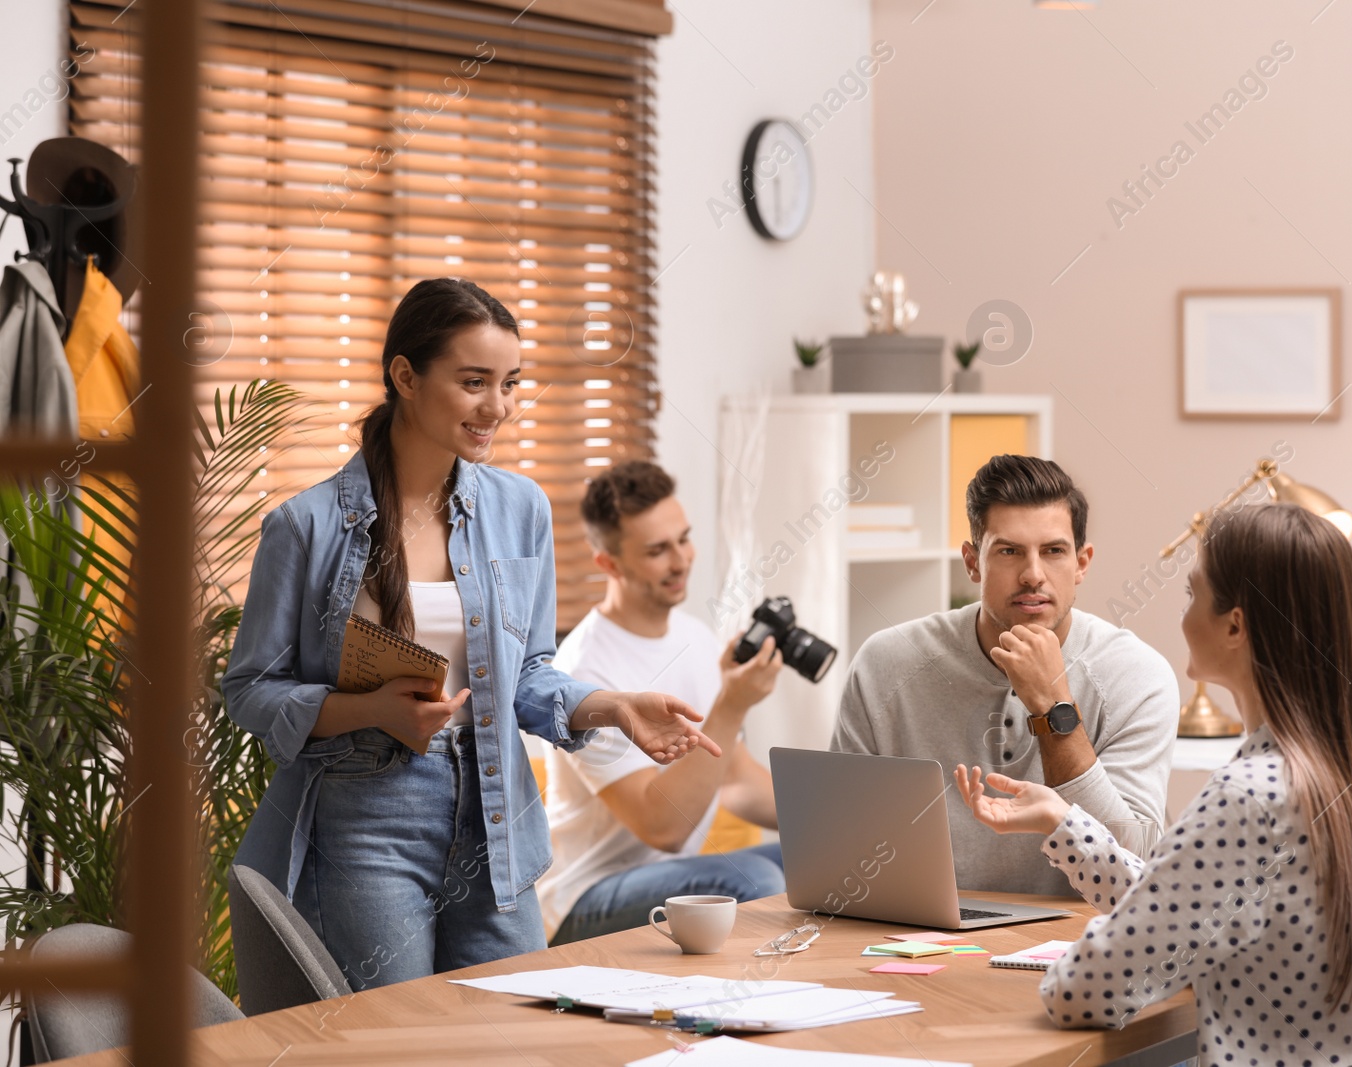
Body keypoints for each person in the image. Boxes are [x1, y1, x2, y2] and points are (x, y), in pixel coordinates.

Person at [222, 278, 718, 991]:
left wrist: (612, 706)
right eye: (475, 382)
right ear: (405, 377)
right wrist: (373, 710)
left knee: (514, 1025)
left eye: (510, 383)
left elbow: (530, 671)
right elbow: (250, 691)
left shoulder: (521, 508)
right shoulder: (306, 526)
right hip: (365, 821)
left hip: (496, 814)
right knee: (402, 1040)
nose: (500, 407)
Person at [955, 502, 1352, 1066]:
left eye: (1191, 595)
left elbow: (1083, 992)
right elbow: (1189, 904)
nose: (1184, 617)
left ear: (1234, 624)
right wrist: (1065, 823)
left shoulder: (1252, 797)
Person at [831, 454, 1179, 897]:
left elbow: (1134, 864)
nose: (1033, 575)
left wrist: (1053, 708)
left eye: (1053, 551)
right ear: (973, 563)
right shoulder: (886, 663)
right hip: (920, 937)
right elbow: (841, 849)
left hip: (1078, 946)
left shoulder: (1139, 677)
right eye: (1009, 551)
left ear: (1082, 564)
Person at [536, 460, 787, 944]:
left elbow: (732, 778)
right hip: (586, 897)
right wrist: (731, 707)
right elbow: (662, 826)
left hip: (678, 876)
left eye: (683, 539)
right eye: (657, 551)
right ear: (608, 563)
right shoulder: (585, 671)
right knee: (752, 882)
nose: (681, 560)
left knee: (817, 860)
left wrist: (846, 828)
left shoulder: (692, 635)